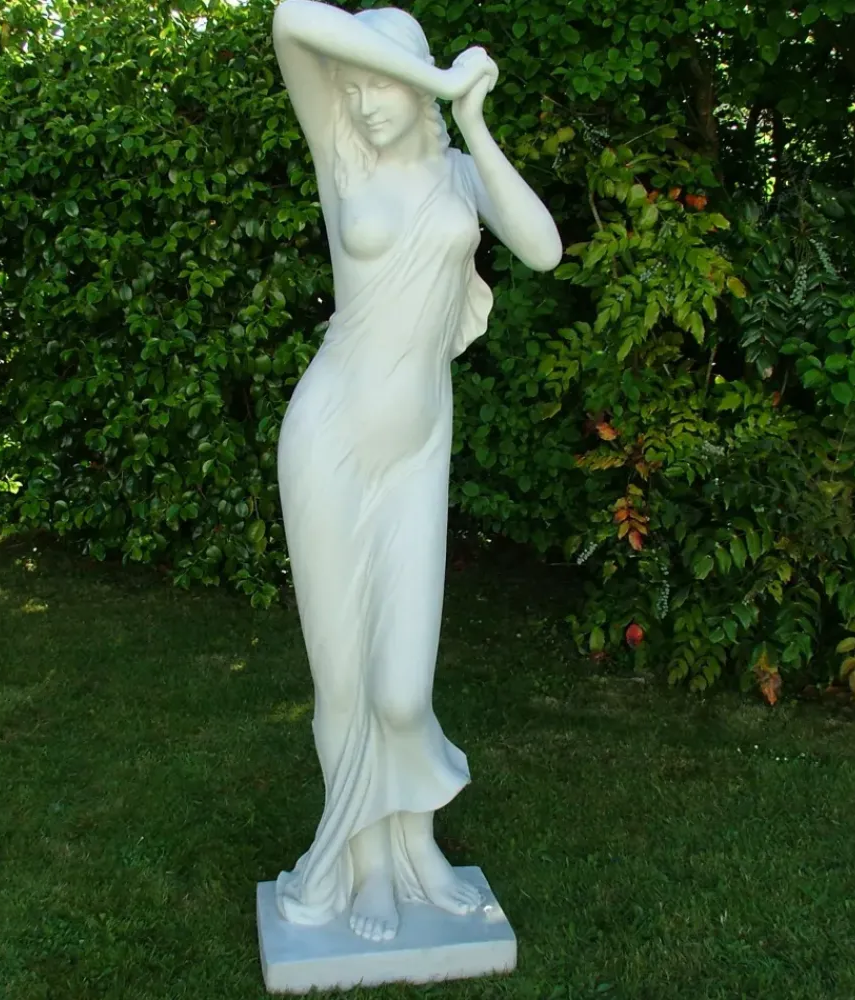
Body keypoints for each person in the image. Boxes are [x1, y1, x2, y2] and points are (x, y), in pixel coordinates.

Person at [271, 0, 561, 943]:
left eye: (383, 86)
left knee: (402, 690)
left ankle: (418, 847)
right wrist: (430, 76)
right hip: (329, 442)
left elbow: (544, 249)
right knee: (344, 686)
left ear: (418, 89)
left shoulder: (459, 174)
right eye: (354, 87)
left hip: (416, 453)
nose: (364, 104)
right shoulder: (340, 157)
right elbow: (290, 18)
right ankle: (367, 868)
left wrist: (467, 114)